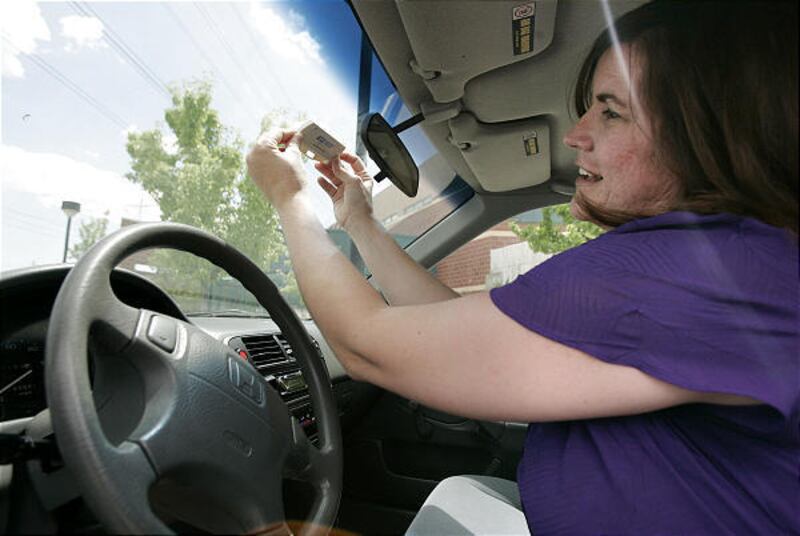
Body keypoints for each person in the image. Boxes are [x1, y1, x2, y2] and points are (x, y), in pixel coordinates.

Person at [246, 0, 798, 533]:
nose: (577, 134)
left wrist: (289, 197)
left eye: (611, 112)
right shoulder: (735, 264)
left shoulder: (696, 270)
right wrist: (359, 221)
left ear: (709, 134)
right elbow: (460, 339)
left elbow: (367, 347)